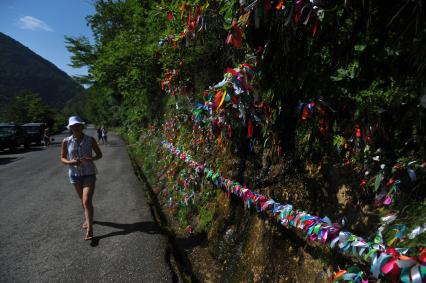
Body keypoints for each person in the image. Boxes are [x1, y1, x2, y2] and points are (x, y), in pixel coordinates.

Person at [60, 116, 102, 240]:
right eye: (73, 126)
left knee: (86, 200)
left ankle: (90, 229)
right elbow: (62, 157)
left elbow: (99, 155)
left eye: (78, 125)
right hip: (75, 175)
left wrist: (90, 159)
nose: (76, 128)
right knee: (82, 201)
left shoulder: (90, 140)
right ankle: (88, 219)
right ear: (70, 128)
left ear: (81, 126)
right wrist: (70, 162)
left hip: (89, 173)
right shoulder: (66, 141)